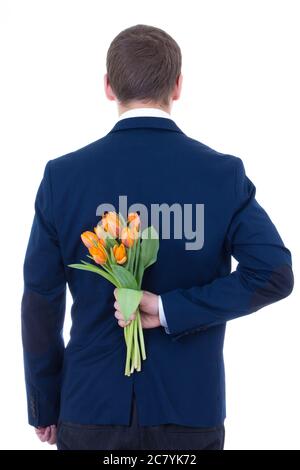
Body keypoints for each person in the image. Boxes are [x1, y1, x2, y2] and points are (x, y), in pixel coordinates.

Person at [21, 24, 294, 451]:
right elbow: (273, 274)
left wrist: (44, 404)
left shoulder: (64, 177)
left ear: (109, 87)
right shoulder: (220, 176)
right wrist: (169, 310)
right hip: (190, 413)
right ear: (178, 85)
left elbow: (40, 298)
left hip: (88, 409)